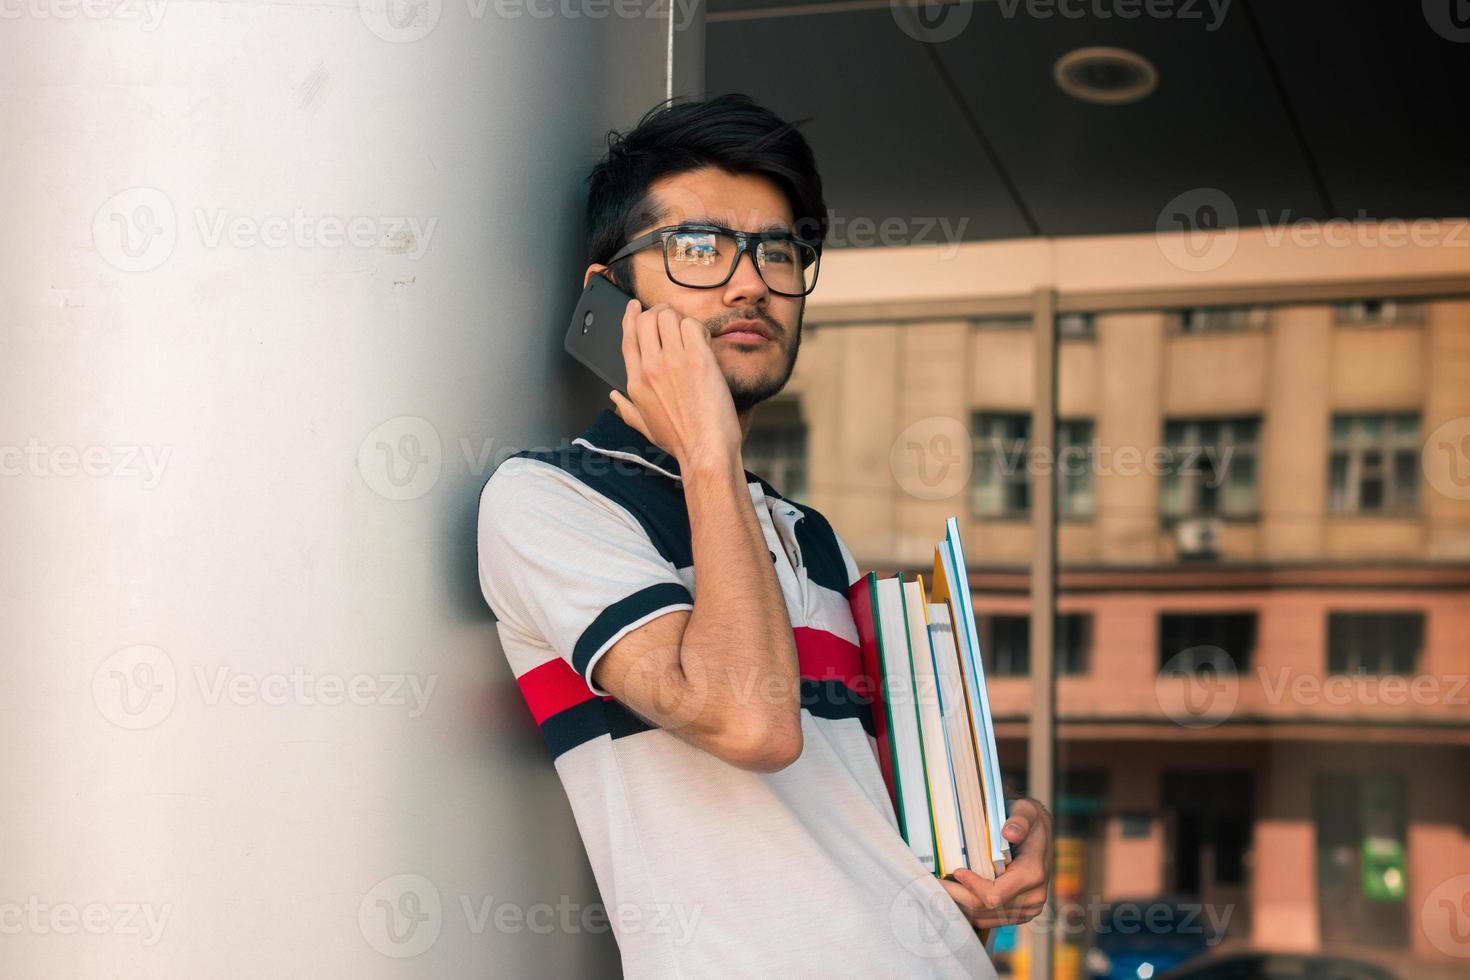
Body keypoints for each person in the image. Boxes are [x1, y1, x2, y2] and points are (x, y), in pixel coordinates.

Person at [477, 93, 1051, 977]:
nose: (751, 282)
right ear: (610, 296)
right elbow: (751, 724)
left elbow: (865, 851)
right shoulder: (549, 500)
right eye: (700, 248)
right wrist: (709, 445)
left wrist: (990, 869)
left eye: (778, 251)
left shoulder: (809, 539)